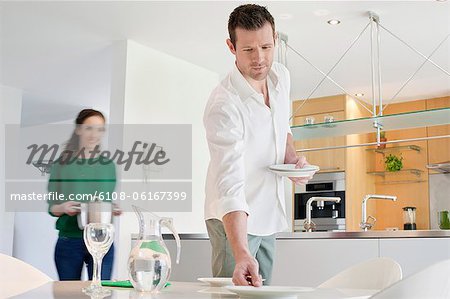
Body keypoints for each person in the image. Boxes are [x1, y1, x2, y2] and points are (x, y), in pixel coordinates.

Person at [203, 4, 312, 287]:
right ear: (231, 46)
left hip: (268, 214)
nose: (260, 58)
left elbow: (281, 130)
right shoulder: (224, 105)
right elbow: (229, 184)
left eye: (266, 46)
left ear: (275, 38)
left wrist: (293, 161)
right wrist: (241, 253)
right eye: (249, 50)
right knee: (235, 293)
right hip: (234, 220)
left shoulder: (281, 78)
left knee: (266, 294)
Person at [47, 109, 121, 280]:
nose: (94, 134)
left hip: (102, 240)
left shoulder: (108, 166)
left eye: (100, 129)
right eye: (89, 128)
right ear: (78, 129)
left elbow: (104, 201)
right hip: (70, 241)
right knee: (69, 295)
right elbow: (52, 207)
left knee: (101, 293)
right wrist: (63, 207)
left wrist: (111, 209)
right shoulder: (61, 164)